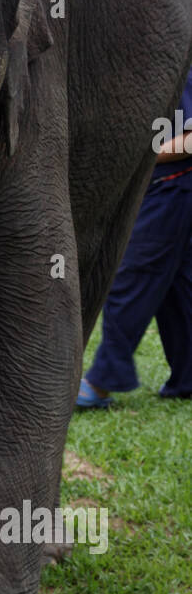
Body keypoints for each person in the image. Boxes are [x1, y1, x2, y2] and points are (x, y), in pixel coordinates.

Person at [77, 65, 192, 406]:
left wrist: (140, 154)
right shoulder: (168, 66)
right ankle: (188, 377)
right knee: (179, 286)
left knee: (134, 276)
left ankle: (102, 381)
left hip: (171, 187)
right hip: (167, 187)